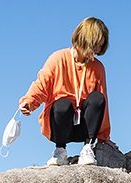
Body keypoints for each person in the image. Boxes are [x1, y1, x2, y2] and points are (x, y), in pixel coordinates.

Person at [19, 17, 112, 166]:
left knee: (97, 98)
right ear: (85, 39)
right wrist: (29, 101)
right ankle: (60, 150)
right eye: (96, 45)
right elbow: (42, 84)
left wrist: (104, 137)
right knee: (62, 103)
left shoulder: (98, 67)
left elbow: (103, 104)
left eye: (100, 47)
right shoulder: (58, 58)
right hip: (60, 125)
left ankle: (88, 148)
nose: (98, 50)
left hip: (85, 127)